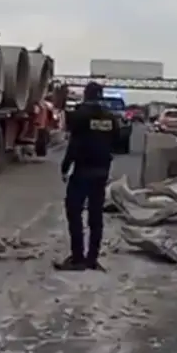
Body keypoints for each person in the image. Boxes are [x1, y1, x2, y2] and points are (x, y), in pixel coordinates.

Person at [57, 81, 121, 271]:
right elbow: (116, 143)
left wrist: (65, 167)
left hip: (82, 170)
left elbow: (73, 144)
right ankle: (92, 258)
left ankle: (78, 258)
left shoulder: (80, 115)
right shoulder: (110, 118)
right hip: (101, 171)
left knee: (74, 210)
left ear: (86, 95)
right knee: (95, 215)